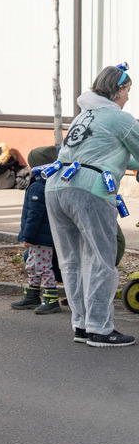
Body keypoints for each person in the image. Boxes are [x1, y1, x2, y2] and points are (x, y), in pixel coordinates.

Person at [45, 65, 139, 348]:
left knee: (72, 261)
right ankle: (101, 329)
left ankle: (82, 325)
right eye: (128, 91)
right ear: (118, 90)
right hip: (91, 189)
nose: (128, 98)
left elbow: (109, 153)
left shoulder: (82, 117)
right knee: (100, 258)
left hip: (57, 186)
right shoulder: (120, 118)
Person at [11, 146, 61, 314]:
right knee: (32, 265)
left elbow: (34, 216)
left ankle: (51, 299)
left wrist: (28, 237)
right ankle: (32, 295)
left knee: (42, 267)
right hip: (41, 237)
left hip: (41, 238)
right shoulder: (44, 183)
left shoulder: (39, 187)